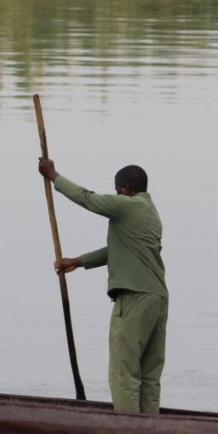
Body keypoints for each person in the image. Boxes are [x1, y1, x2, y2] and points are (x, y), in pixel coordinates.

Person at [37, 158, 168, 414]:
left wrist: (54, 176)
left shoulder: (127, 206)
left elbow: (88, 199)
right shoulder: (151, 214)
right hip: (158, 298)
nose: (116, 194)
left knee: (123, 371)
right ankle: (151, 428)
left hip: (134, 298)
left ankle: (129, 429)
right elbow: (118, 250)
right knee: (149, 374)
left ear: (125, 189)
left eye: (117, 189)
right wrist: (79, 261)